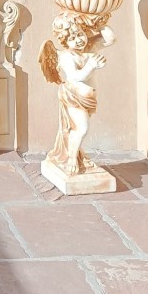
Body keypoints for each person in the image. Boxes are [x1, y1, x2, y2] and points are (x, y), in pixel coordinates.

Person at [39, 13, 115, 176]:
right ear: (65, 42)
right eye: (72, 38)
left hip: (87, 99)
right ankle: (72, 159)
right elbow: (75, 76)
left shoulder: (89, 48)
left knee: (77, 129)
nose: (79, 40)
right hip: (73, 98)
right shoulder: (66, 56)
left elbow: (110, 39)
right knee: (82, 128)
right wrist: (91, 65)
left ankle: (74, 154)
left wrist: (98, 25)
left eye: (80, 34)